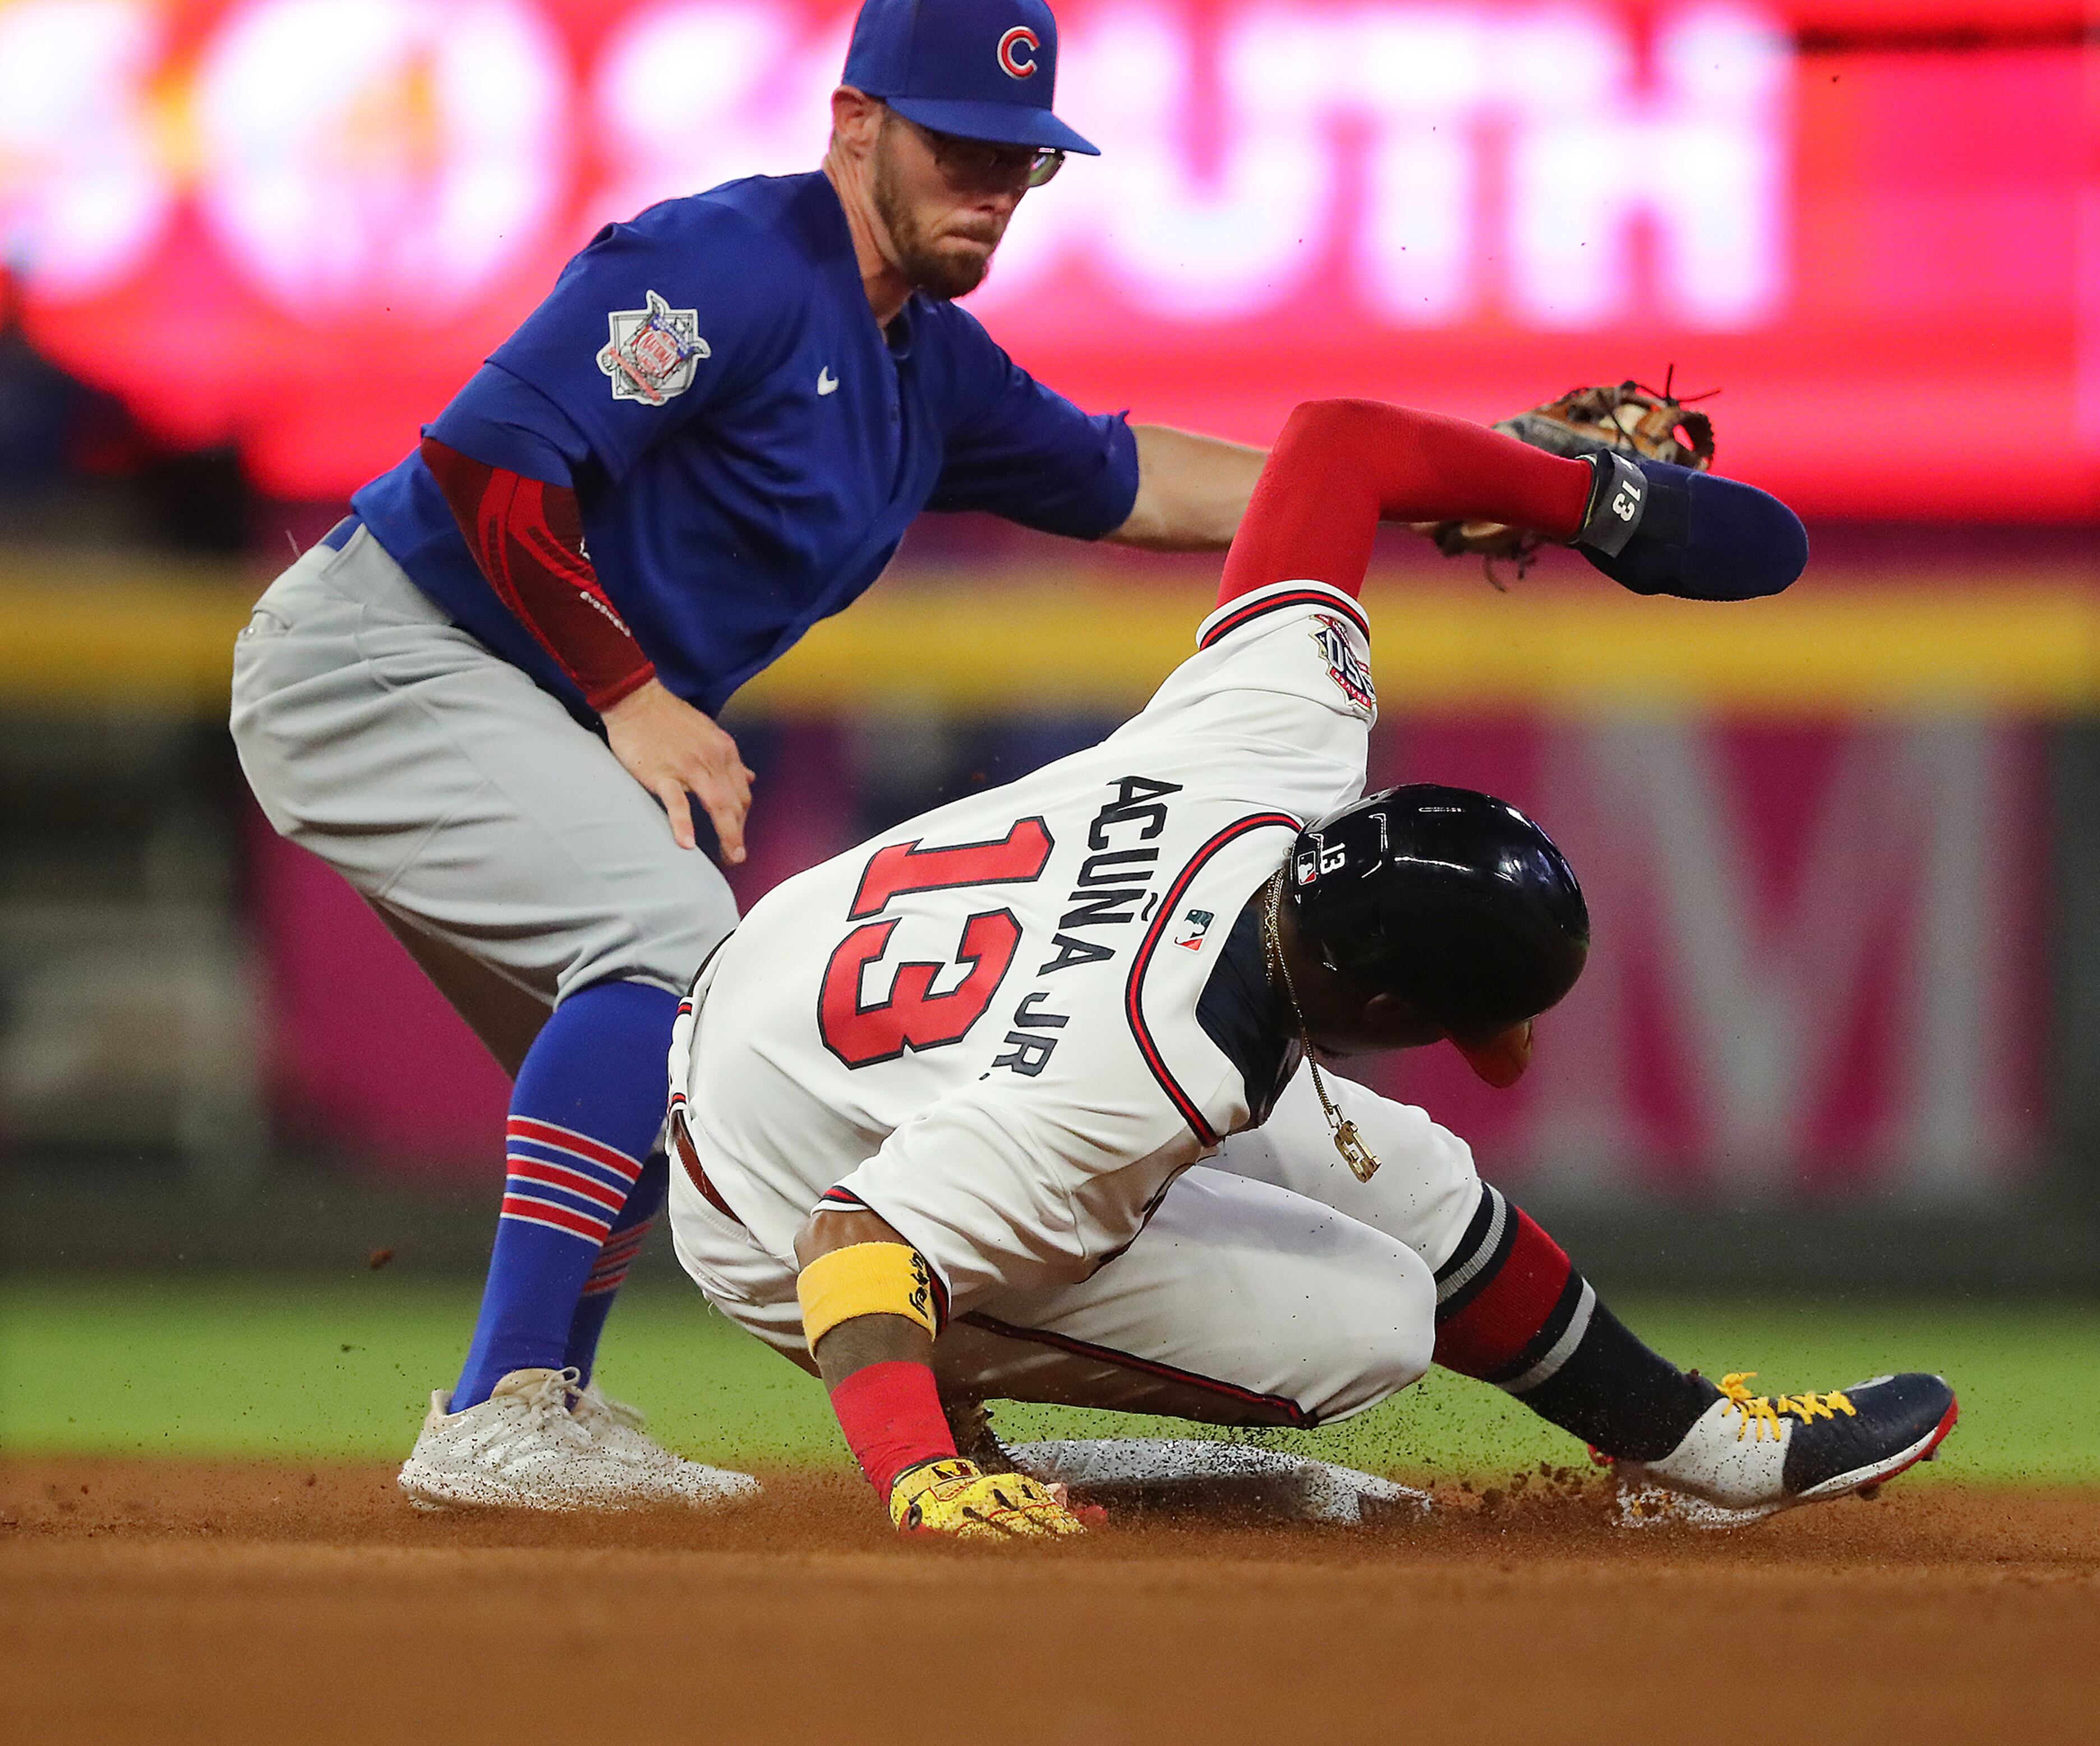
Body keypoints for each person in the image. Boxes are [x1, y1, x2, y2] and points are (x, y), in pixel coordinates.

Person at [229, 0, 1273, 1511]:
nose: (991, 181)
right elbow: (490, 467)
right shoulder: (732, 263)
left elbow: (1140, 478)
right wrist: (632, 692)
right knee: (673, 950)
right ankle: (505, 1411)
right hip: (387, 656)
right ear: (857, 124)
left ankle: (533, 1408)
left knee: (692, 1063)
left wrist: (1420, 480)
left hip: (500, 693)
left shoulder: (928, 368)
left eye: (1022, 157)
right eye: (959, 143)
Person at [665, 397, 1957, 1538]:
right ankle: (982, 1440)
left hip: (801, 971)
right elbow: (854, 1235)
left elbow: (1336, 441)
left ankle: (1696, 1447)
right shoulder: (1124, 1084)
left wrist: (1601, 503)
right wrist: (914, 1474)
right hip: (771, 1180)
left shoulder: (1280, 745)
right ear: (1390, 1006)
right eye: (1476, 1018)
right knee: (1370, 1320)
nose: (1494, 1044)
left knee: (1411, 1177)